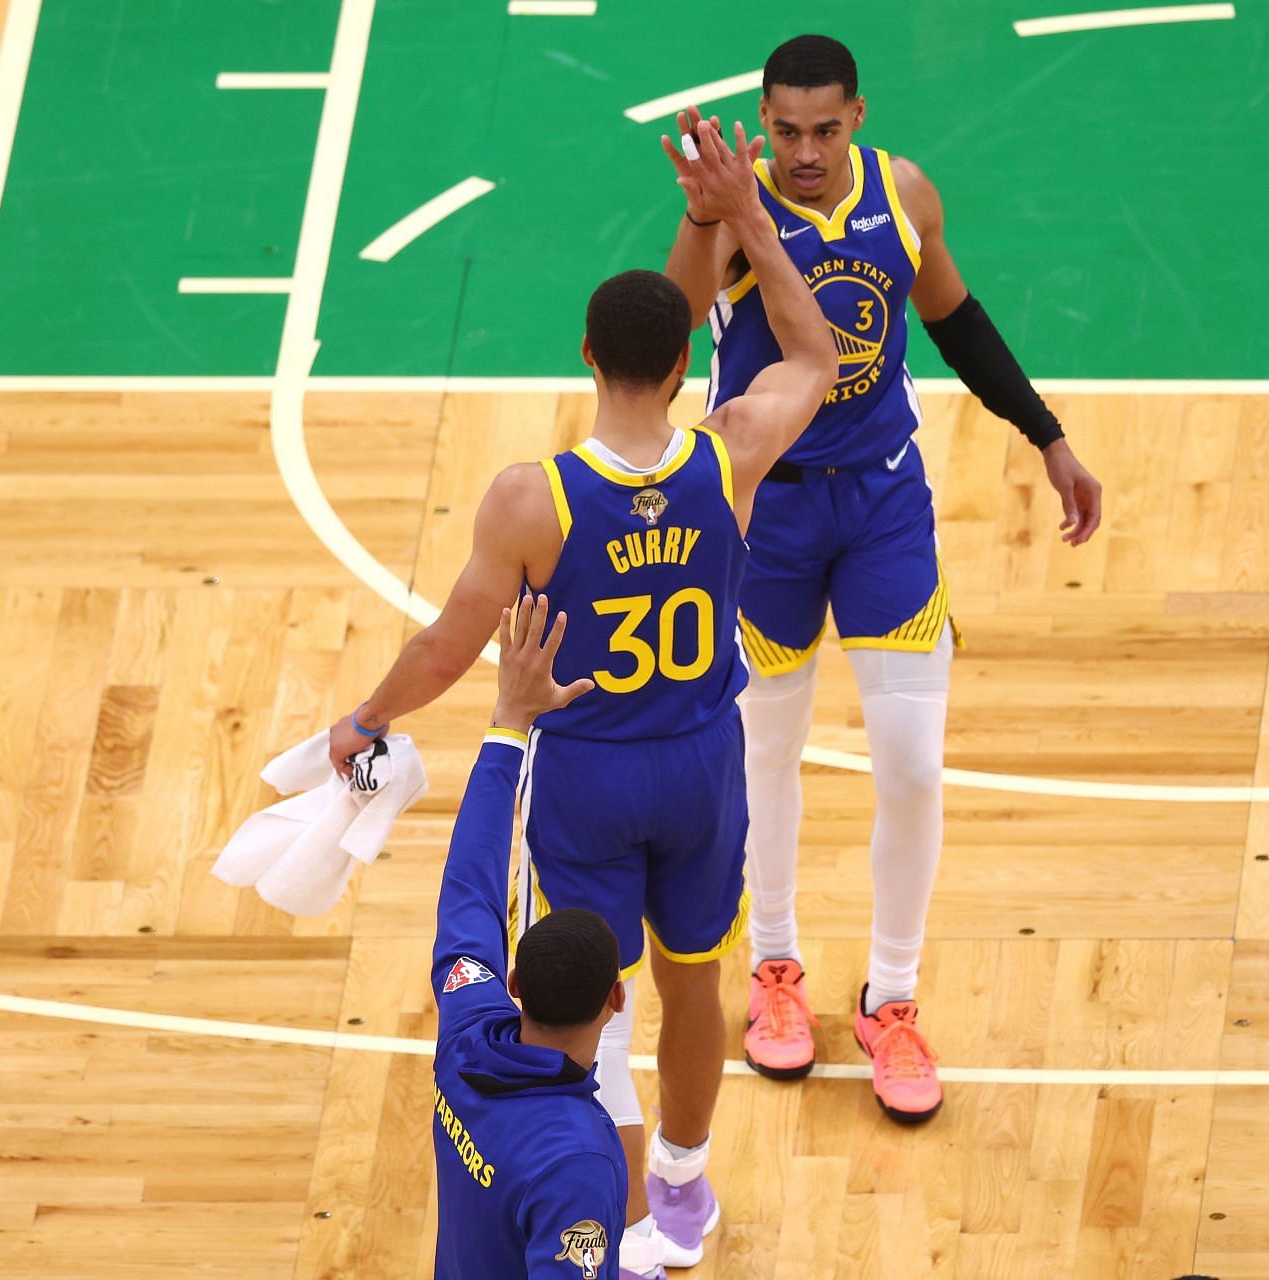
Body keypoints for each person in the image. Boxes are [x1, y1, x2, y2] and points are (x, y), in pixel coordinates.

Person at [329, 120, 836, 1277]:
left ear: (583, 353)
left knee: (588, 1002)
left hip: (590, 773)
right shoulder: (733, 450)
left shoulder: (532, 501)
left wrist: (370, 718)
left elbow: (452, 645)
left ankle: (611, 1231)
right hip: (703, 760)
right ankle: (686, 1187)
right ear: (680, 370)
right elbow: (813, 356)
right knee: (695, 978)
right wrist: (745, 212)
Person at [659, 34, 1105, 1125]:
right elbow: (669, 329)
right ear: (762, 123)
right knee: (761, 753)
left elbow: (954, 319)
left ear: (857, 114)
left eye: (825, 128)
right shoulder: (738, 205)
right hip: (763, 505)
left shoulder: (901, 192)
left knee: (909, 764)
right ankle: (774, 971)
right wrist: (706, 210)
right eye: (785, 131)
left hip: (881, 501)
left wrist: (1046, 435)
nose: (805, 151)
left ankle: (892, 999)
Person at [429, 593, 624, 1279]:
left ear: (512, 986)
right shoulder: (578, 1161)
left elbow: (469, 886)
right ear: (617, 997)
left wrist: (511, 720)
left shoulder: (468, 1033)